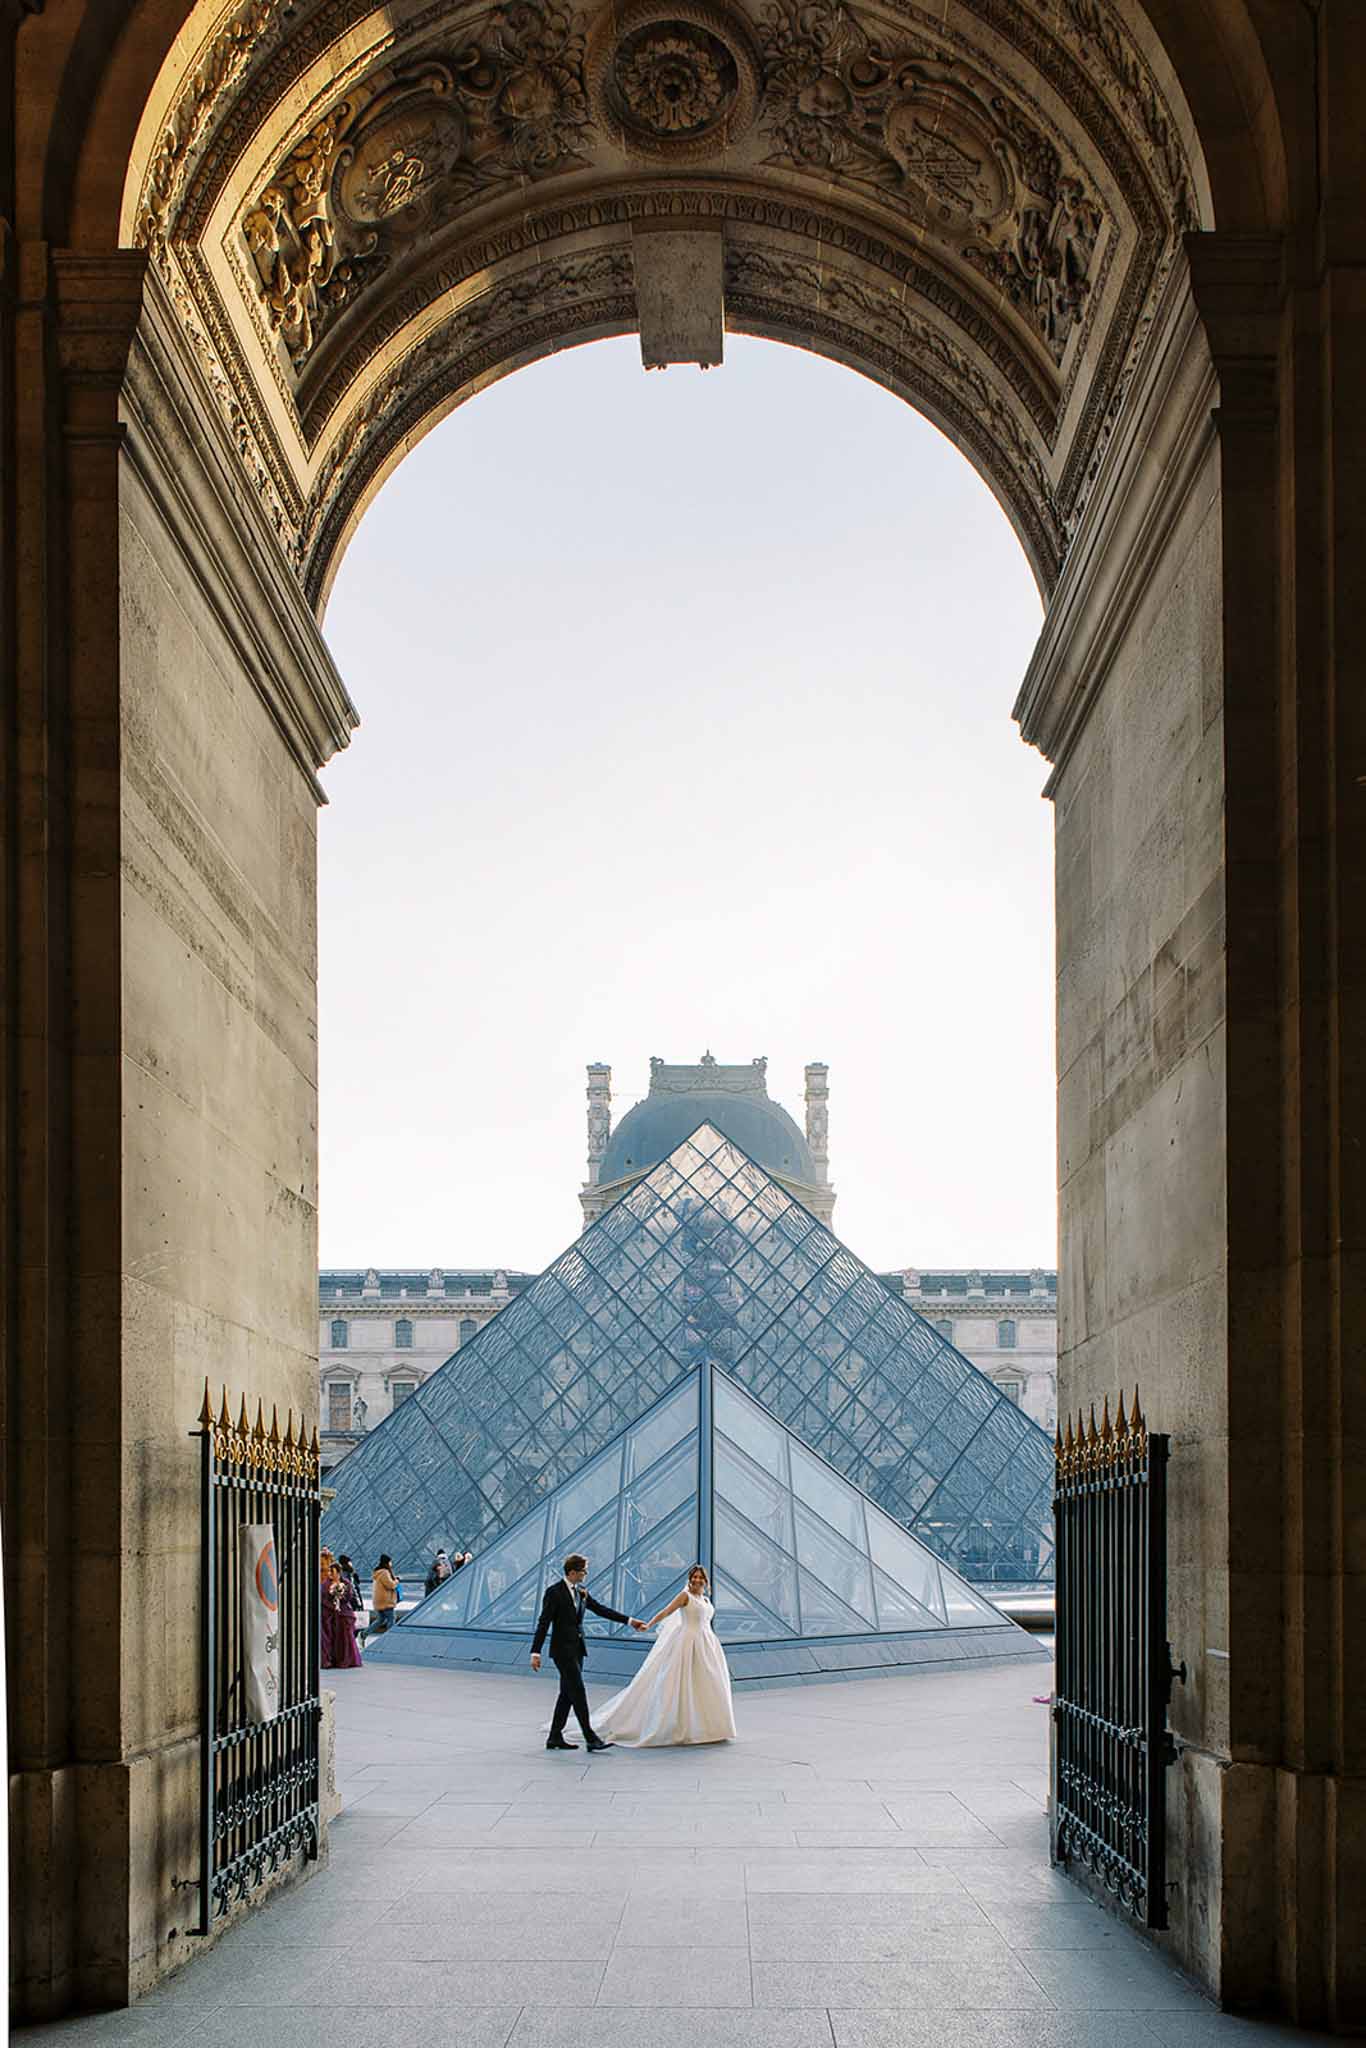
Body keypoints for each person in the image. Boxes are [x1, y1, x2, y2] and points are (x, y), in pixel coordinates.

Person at [592, 1566, 736, 1748]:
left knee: (706, 1683)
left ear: (705, 1581)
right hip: (687, 1643)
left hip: (707, 1644)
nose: (697, 1580)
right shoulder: (685, 1596)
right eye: (694, 1576)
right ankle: (683, 1727)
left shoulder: (705, 1600)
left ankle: (707, 1728)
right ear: (690, 1579)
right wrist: (649, 1624)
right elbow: (667, 1611)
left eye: (700, 1577)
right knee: (681, 1684)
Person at [529, 1552, 646, 1752]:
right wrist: (535, 1652)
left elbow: (601, 1610)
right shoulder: (554, 1592)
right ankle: (590, 1736)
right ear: (573, 1572)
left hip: (577, 1649)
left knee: (567, 1693)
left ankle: (555, 1736)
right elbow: (543, 1622)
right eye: (584, 1571)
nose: (586, 1574)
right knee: (578, 1690)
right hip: (561, 1650)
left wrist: (629, 1621)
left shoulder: (581, 1591)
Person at [324, 1555, 363, 1669]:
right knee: (334, 1638)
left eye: (332, 1572)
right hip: (331, 1615)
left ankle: (346, 1659)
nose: (330, 1574)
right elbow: (323, 1597)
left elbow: (349, 1595)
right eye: (329, 1571)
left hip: (343, 1614)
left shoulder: (345, 1583)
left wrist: (339, 1598)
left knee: (346, 1638)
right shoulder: (325, 1584)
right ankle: (334, 1659)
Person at [369, 1553, 399, 1635]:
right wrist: (396, 1581)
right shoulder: (384, 1572)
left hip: (379, 1601)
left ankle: (364, 1634)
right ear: (387, 1562)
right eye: (390, 1562)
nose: (391, 1564)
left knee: (380, 1620)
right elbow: (391, 1585)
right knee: (391, 1619)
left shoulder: (377, 1572)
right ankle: (389, 1637)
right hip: (386, 1601)